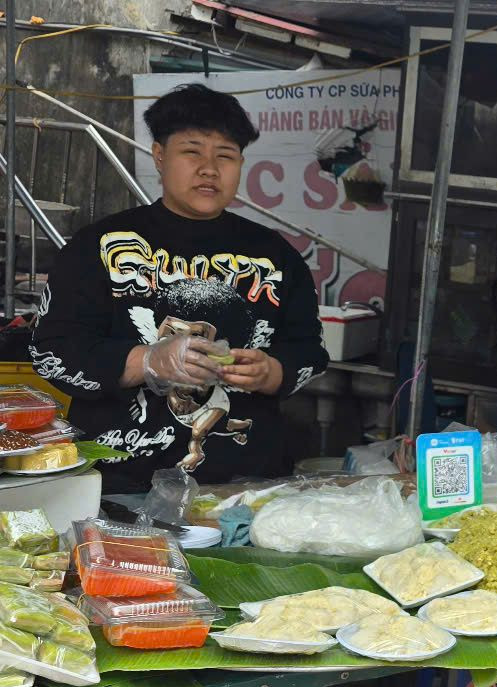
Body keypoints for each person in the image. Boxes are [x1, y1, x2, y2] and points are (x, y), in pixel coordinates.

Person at [30, 84, 328, 493]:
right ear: (159, 156)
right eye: (192, 152)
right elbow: (51, 351)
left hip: (244, 488)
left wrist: (273, 372)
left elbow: (309, 348)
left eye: (225, 156)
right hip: (119, 482)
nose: (209, 169)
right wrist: (148, 361)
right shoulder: (97, 246)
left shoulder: (276, 256)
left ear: (241, 163)